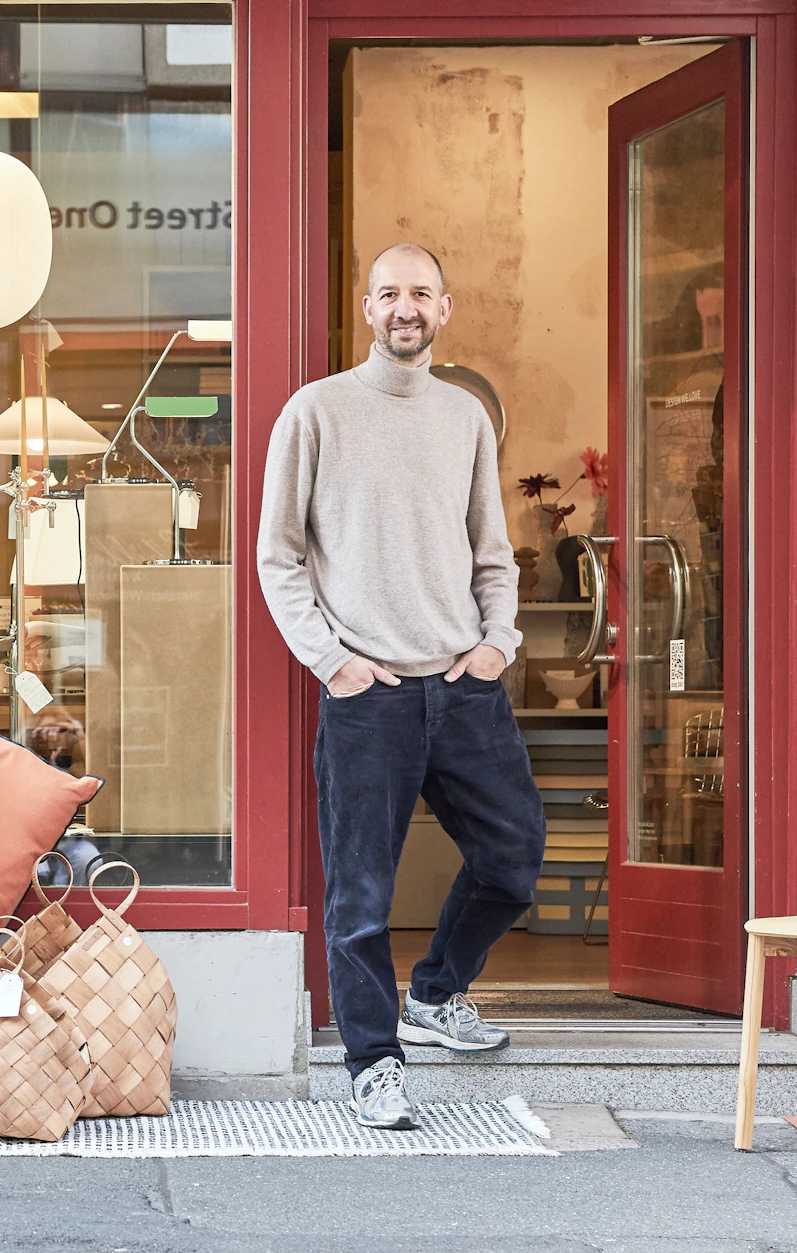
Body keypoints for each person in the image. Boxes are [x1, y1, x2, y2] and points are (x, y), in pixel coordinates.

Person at [256, 243, 546, 1130]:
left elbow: (492, 553)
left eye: (421, 293)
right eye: (389, 294)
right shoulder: (316, 412)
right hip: (368, 698)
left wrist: (498, 644)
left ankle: (437, 992)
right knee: (359, 899)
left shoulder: (465, 418)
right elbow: (278, 556)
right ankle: (374, 1062)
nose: (405, 308)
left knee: (513, 857)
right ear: (368, 308)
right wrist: (331, 661)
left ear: (444, 307)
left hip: (463, 689)